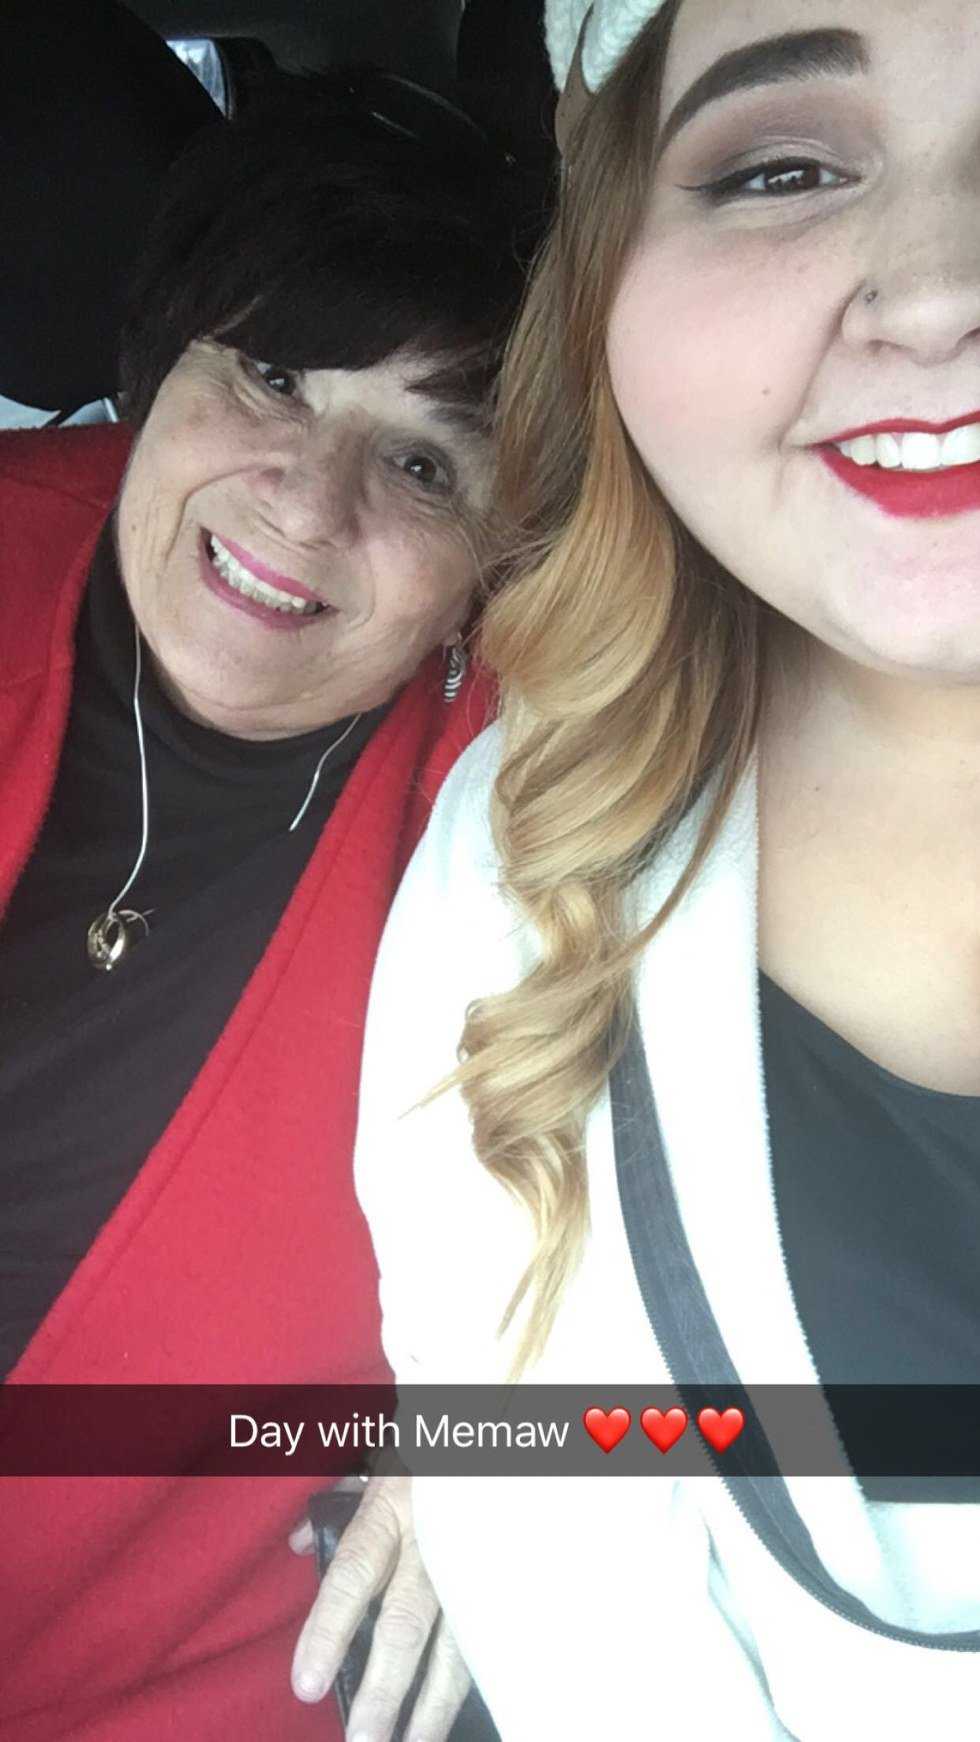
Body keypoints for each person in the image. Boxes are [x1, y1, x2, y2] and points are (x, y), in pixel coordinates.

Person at [294, 0, 980, 1734]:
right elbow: (600, 1645)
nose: (936, 292)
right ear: (610, 281)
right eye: (783, 169)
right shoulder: (520, 882)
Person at [0, 78, 530, 1742]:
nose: (308, 498)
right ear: (159, 368)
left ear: (492, 566)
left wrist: (519, 1433)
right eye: (277, 373)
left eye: (424, 461)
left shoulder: (545, 799)